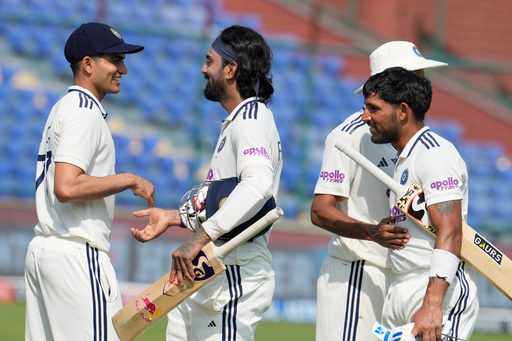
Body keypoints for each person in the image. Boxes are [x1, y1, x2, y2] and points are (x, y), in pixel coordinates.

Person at [130, 25, 282, 341]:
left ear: (230, 69)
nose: (203, 68)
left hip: (233, 271)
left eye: (209, 61)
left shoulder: (250, 120)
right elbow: (224, 197)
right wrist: (173, 217)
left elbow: (257, 184)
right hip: (211, 270)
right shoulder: (239, 120)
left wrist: (198, 238)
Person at [24, 22, 155, 340]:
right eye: (114, 59)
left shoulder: (63, 107)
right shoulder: (84, 112)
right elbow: (67, 187)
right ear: (87, 64)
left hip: (46, 250)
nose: (123, 68)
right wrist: (128, 179)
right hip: (76, 256)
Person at [311, 41, 448, 341]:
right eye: (417, 74)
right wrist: (371, 232)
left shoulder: (413, 138)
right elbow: (320, 210)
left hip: (399, 279)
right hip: (357, 273)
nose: (423, 83)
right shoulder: (349, 136)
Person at [361, 67, 479, 341]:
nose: (365, 117)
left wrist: (432, 304)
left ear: (402, 111)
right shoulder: (405, 158)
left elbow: (451, 230)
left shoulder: (434, 154)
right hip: (402, 286)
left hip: (435, 291)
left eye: (373, 108)